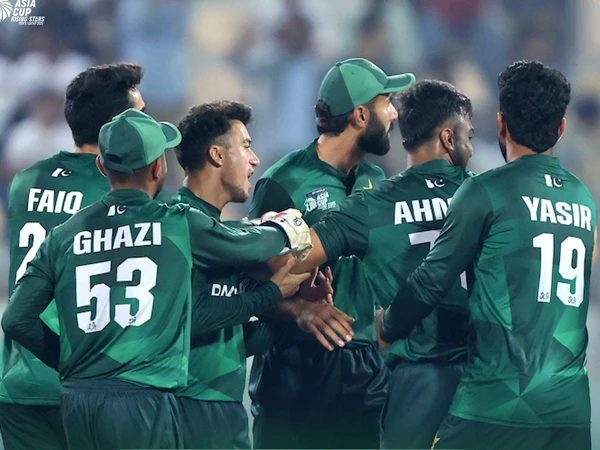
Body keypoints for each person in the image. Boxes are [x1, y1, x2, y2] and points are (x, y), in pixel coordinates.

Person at [2, 108, 312, 450]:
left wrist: (67, 360)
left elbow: (16, 319)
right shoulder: (173, 222)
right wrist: (287, 229)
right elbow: (246, 245)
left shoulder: (65, 233)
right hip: (142, 399)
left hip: (77, 400)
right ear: (158, 167)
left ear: (103, 166)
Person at [380, 60, 598, 450]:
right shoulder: (583, 199)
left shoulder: (486, 191)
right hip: (570, 413)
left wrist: (386, 327)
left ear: (501, 123)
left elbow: (431, 281)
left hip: (495, 406)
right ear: (561, 129)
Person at [293, 80, 475, 449]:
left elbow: (294, 255)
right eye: (468, 135)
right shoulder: (488, 196)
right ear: (448, 138)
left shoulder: (373, 205)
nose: (470, 146)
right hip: (482, 378)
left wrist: (294, 303)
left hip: (413, 384)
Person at [249, 57, 415, 449]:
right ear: (360, 115)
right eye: (386, 103)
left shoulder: (377, 179)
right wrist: (298, 310)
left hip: (364, 366)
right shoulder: (283, 181)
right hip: (295, 364)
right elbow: (249, 279)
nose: (394, 113)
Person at [172, 100, 354, 449]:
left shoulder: (218, 234)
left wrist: (298, 314)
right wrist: (273, 286)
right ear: (217, 155)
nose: (254, 160)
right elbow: (191, 320)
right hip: (186, 409)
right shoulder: (178, 222)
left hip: (223, 410)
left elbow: (229, 339)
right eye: (246, 146)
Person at [0, 62, 146, 450]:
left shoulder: (25, 180)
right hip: (86, 385)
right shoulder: (120, 192)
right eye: (140, 116)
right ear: (119, 128)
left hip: (19, 380)